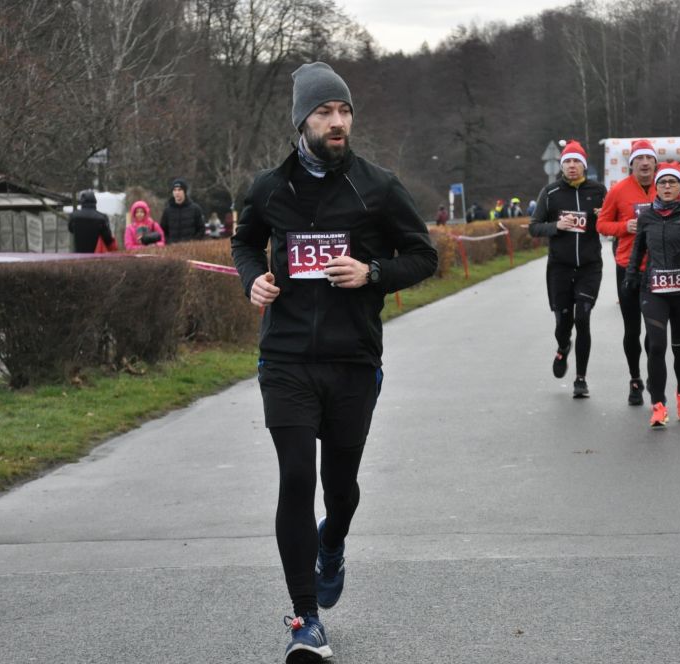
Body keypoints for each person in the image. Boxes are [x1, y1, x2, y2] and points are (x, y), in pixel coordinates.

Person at [230, 61, 437, 664]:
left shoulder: (378, 186)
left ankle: (334, 541)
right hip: (286, 358)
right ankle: (305, 620)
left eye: (344, 111)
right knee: (296, 477)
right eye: (325, 112)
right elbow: (245, 242)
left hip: (352, 360)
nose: (338, 121)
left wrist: (371, 272)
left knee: (338, 489)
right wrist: (252, 279)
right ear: (302, 121)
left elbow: (423, 255)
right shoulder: (270, 188)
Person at [623, 162, 680, 428]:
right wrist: (631, 275)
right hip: (654, 290)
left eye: (672, 182)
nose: (666, 187)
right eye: (662, 183)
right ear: (656, 187)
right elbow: (638, 250)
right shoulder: (647, 216)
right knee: (656, 346)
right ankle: (658, 406)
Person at [528, 140, 607, 398]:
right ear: (562, 166)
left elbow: (612, 222)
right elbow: (533, 227)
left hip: (589, 266)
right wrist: (556, 227)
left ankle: (580, 379)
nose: (572, 166)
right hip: (559, 268)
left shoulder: (599, 191)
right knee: (563, 323)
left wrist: (603, 217)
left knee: (583, 319)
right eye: (567, 162)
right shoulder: (550, 192)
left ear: (584, 165)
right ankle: (563, 347)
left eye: (576, 162)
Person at [598, 138, 657, 405]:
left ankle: (655, 377)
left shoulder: (666, 186)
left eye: (649, 159)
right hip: (628, 268)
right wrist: (624, 227)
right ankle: (635, 379)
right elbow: (601, 224)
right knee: (632, 330)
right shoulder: (618, 190)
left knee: (655, 332)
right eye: (639, 159)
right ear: (631, 164)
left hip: (659, 268)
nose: (644, 163)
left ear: (655, 163)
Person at [160, 178, 205, 243]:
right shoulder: (167, 211)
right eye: (174, 190)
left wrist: (193, 242)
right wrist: (169, 242)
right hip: (172, 247)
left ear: (184, 191)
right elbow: (162, 231)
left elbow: (201, 229)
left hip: (190, 246)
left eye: (179, 190)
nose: (177, 192)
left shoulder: (195, 209)